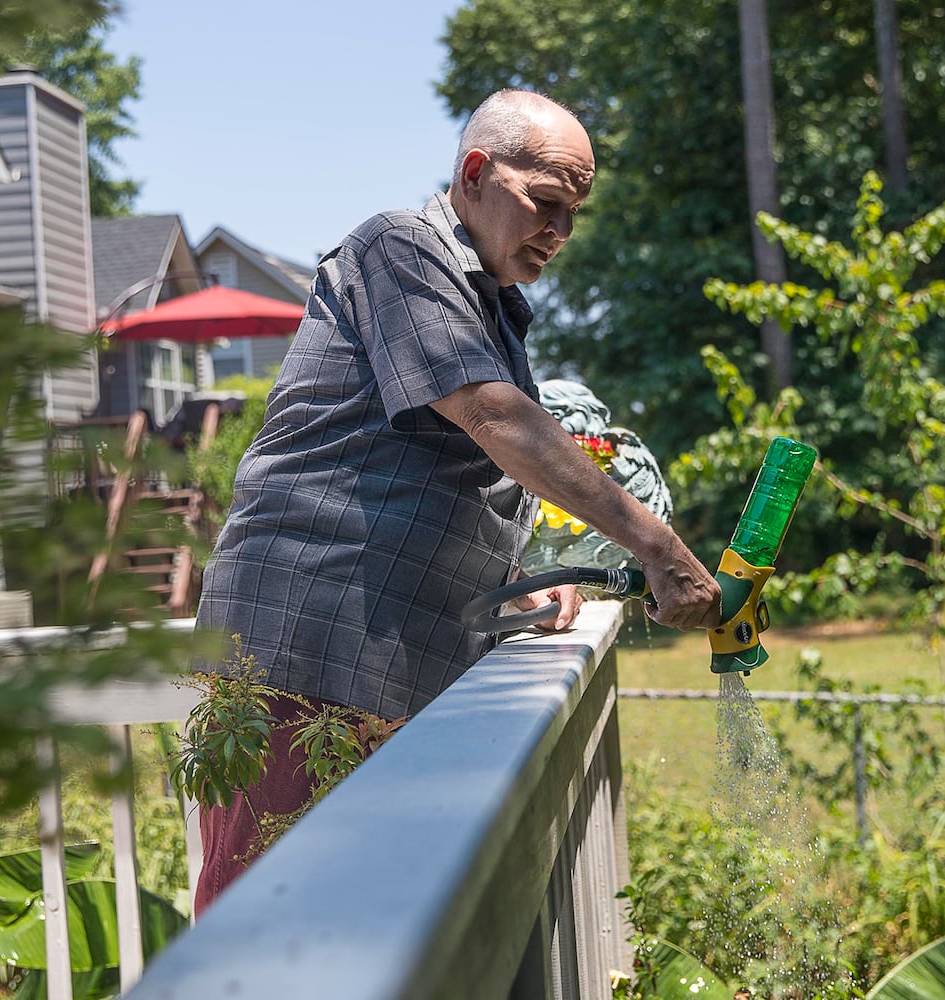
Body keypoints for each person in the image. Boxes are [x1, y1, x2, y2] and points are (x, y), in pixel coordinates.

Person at [191, 89, 720, 913]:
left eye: (574, 215)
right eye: (546, 204)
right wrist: (658, 544)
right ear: (476, 172)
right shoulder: (397, 245)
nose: (560, 232)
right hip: (304, 641)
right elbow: (491, 416)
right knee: (266, 915)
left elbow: (445, 464)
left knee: (364, 917)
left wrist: (515, 572)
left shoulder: (493, 304)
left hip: (383, 653)